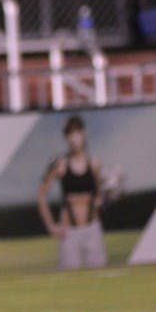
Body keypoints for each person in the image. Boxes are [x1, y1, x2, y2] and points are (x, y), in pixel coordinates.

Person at [36, 114, 108, 270]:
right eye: (69, 133)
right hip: (69, 232)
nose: (73, 138)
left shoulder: (94, 163)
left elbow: (100, 192)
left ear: (83, 133)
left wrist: (101, 199)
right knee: (69, 275)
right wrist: (51, 227)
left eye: (76, 132)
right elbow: (41, 195)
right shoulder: (60, 164)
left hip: (92, 228)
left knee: (99, 275)